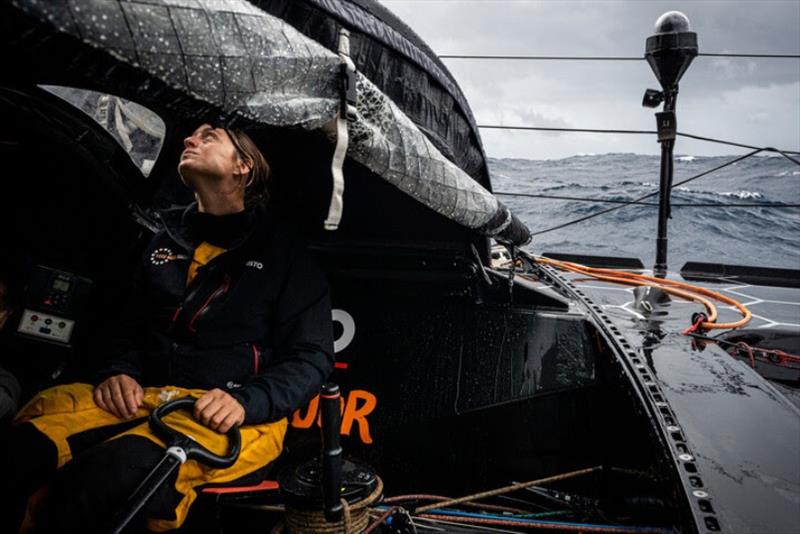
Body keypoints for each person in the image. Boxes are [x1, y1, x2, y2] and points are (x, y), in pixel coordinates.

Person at [2, 124, 335, 532]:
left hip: (230, 419)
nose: (189, 140)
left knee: (101, 480)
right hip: (145, 396)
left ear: (243, 168)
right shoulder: (164, 237)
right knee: (19, 452)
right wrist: (117, 371)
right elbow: (126, 324)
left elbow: (311, 356)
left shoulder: (286, 255)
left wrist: (247, 401)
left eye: (209, 137)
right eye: (191, 135)